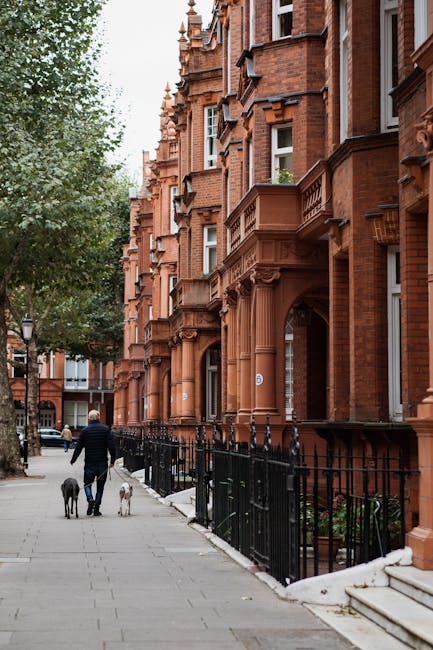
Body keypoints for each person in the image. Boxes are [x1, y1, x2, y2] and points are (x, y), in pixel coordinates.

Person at [70, 410, 116, 517]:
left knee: (87, 484)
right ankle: (96, 510)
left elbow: (79, 447)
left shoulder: (85, 431)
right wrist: (113, 461)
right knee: (100, 487)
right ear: (99, 417)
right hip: (102, 463)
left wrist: (73, 459)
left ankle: (90, 498)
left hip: (89, 463)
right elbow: (112, 447)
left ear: (89, 419)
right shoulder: (105, 429)